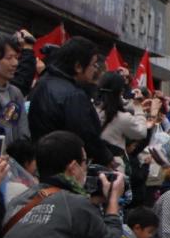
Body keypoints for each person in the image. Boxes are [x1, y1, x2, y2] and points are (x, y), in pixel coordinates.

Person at [27, 38, 112, 166]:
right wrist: (107, 159)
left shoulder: (42, 82)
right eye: (93, 65)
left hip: (42, 163)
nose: (95, 70)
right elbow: (86, 136)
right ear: (78, 66)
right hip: (66, 166)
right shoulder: (74, 95)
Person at [0, 34, 30, 144]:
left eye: (16, 58)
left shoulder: (15, 93)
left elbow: (23, 131)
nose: (15, 63)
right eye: (9, 58)